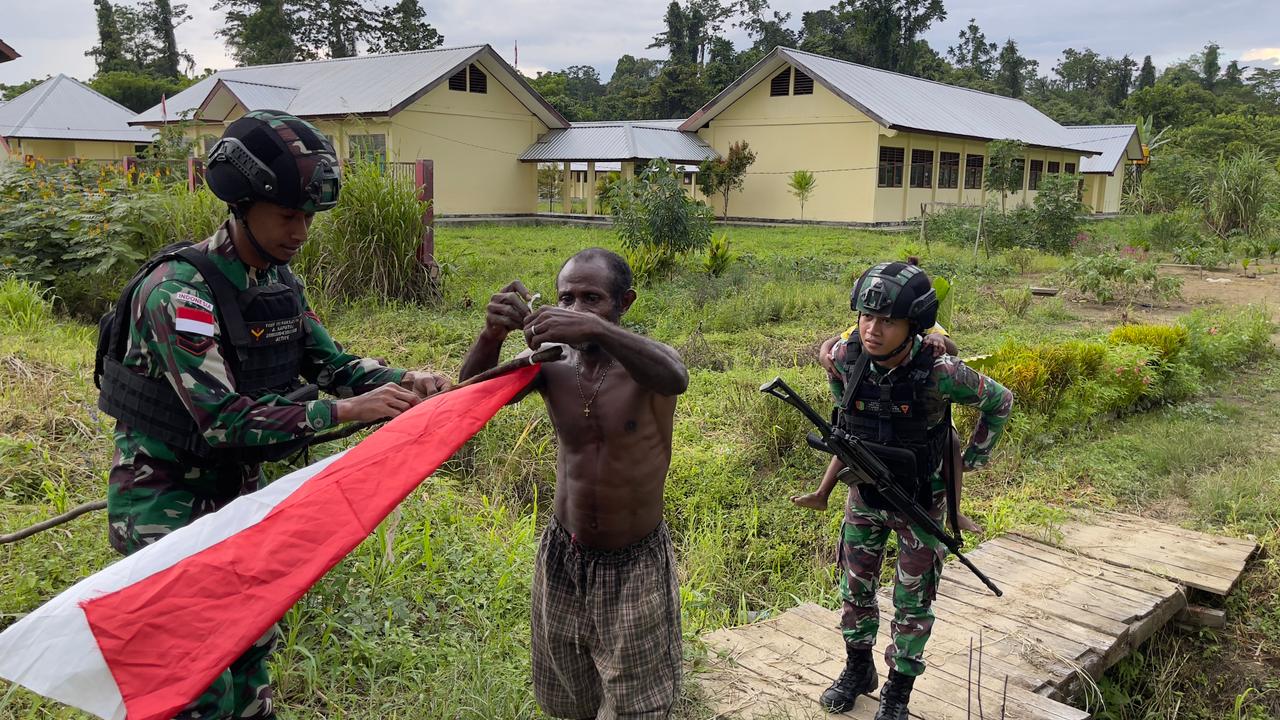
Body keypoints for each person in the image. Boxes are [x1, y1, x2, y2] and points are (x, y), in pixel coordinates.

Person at [97, 109, 449, 719]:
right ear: (241, 207)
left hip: (241, 495)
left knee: (251, 648)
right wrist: (341, 410)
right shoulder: (180, 293)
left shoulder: (277, 281)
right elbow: (225, 421)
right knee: (193, 677)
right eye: (288, 215)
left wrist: (406, 381)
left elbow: (331, 365)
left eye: (308, 216)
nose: (302, 230)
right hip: (166, 501)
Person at [459, 248, 689, 719]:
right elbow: (468, 399)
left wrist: (598, 330)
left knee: (637, 705)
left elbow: (676, 377)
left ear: (624, 302)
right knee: (568, 696)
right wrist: (492, 333)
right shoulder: (549, 362)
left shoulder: (646, 363)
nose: (576, 310)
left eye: (592, 298)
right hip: (564, 553)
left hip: (634, 561)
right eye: (566, 298)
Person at [816, 261, 1013, 719]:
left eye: (887, 321)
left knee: (913, 598)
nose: (873, 329)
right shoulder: (847, 358)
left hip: (922, 502)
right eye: (867, 317)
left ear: (914, 325)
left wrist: (971, 460)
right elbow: (841, 408)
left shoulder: (940, 370)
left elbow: (1000, 401)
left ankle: (898, 692)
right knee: (854, 586)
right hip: (865, 492)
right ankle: (858, 670)